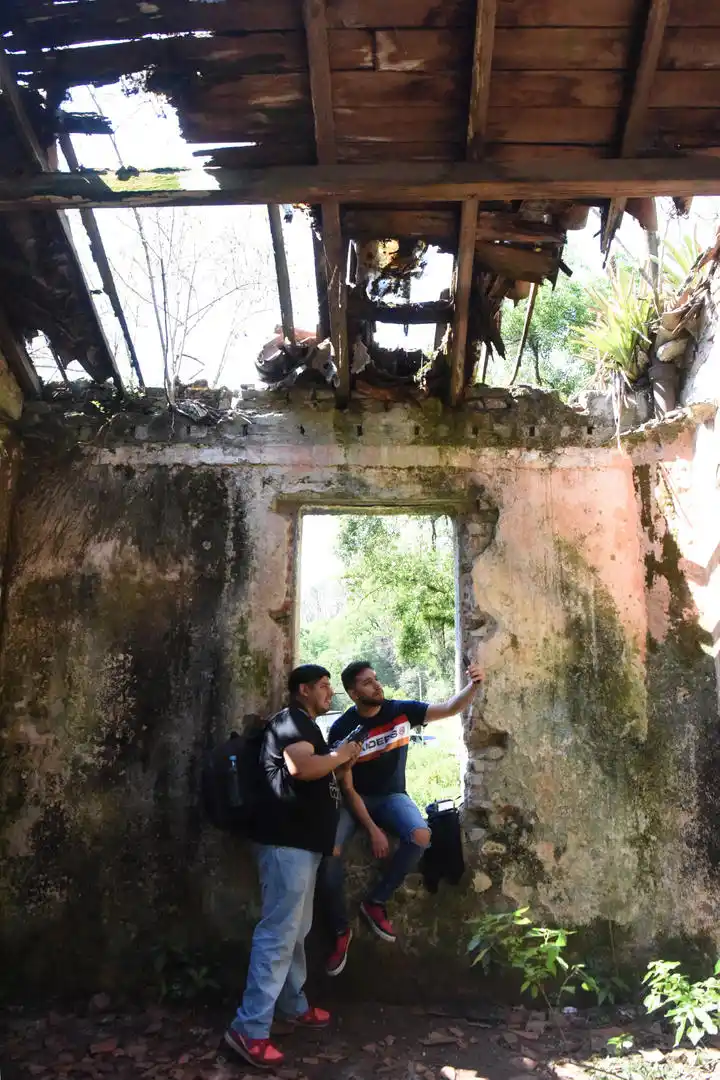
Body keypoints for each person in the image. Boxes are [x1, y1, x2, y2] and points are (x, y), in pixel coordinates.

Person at [224, 664, 361, 1069]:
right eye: (322, 686)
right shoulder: (289, 721)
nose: (329, 693)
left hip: (303, 847)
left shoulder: (307, 725)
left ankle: (292, 1005)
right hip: (286, 847)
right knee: (279, 934)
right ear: (302, 690)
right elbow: (302, 768)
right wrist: (340, 754)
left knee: (296, 931)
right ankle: (248, 1030)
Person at [321, 659, 484, 977]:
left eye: (376, 679)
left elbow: (450, 708)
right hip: (354, 801)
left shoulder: (400, 711)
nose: (376, 685)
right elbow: (346, 787)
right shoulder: (342, 729)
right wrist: (372, 828)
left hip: (393, 797)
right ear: (353, 693)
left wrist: (474, 685)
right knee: (329, 856)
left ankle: (376, 901)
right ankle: (341, 931)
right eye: (367, 683)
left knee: (421, 835)